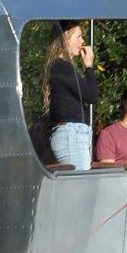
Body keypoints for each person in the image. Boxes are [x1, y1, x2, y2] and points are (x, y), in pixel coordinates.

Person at [44, 20, 98, 170]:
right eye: (78, 37)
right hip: (71, 134)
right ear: (65, 39)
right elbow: (91, 95)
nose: (82, 41)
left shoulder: (62, 66)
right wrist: (89, 66)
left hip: (74, 133)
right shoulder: (61, 66)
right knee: (80, 182)